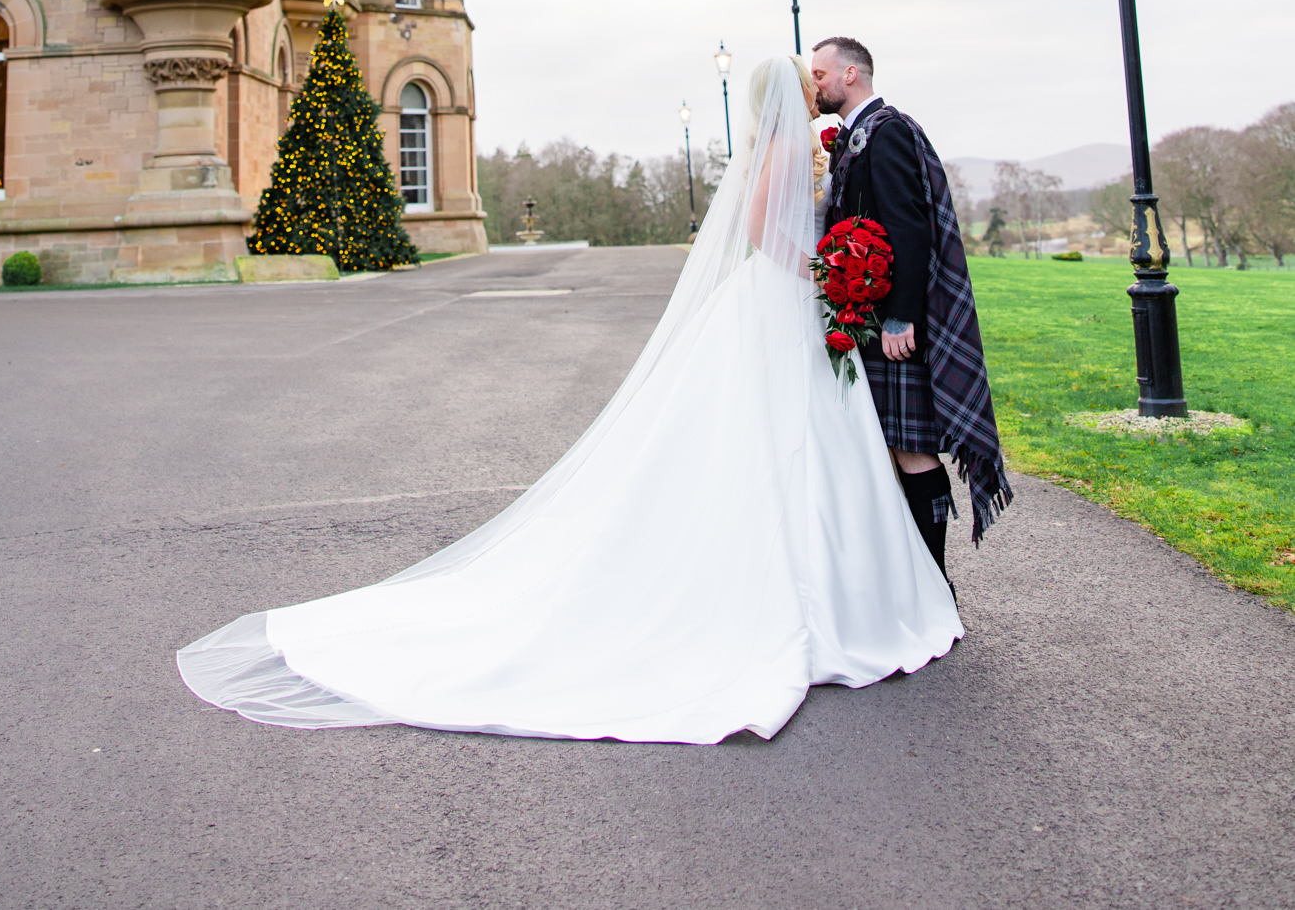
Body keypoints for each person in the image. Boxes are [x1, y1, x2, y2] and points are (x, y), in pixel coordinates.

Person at [178, 58, 961, 745]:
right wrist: (822, 275)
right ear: (792, 93)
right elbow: (762, 229)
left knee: (776, 436)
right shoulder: (790, 146)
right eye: (806, 79)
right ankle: (825, 590)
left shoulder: (786, 144)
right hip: (785, 299)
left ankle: (815, 577)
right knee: (783, 435)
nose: (815, 87)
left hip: (782, 306)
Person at [810, 36, 1011, 575]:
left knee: (909, 447)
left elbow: (909, 229)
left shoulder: (888, 131)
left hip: (892, 320)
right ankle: (918, 581)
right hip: (867, 315)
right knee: (892, 447)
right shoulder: (857, 136)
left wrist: (902, 315)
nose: (816, 83)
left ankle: (935, 581)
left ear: (852, 74)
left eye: (822, 73)